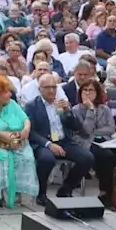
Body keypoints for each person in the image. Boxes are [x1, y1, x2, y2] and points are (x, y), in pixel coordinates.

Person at [26, 73, 93, 204]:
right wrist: (49, 144)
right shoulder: (32, 106)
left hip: (64, 141)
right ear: (40, 89)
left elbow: (76, 127)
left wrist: (68, 111)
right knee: (47, 159)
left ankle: (66, 188)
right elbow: (32, 132)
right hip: (43, 143)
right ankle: (41, 194)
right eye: (47, 87)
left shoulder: (62, 103)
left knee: (87, 158)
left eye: (53, 87)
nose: (51, 90)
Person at [0, 75, 38, 207]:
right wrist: (2, 134)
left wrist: (26, 130)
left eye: (9, 91)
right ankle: (0, 194)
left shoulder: (12, 104)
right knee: (2, 158)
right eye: (5, 92)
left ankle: (18, 192)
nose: (9, 94)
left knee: (26, 157)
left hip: (17, 141)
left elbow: (25, 119)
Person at [70, 79, 116, 205]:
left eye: (91, 90)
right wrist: (90, 110)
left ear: (97, 93)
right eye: (85, 90)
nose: (87, 93)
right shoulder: (76, 110)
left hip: (105, 141)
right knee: (106, 156)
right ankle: (105, 192)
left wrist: (94, 132)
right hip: (85, 143)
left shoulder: (105, 109)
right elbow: (85, 131)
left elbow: (110, 129)